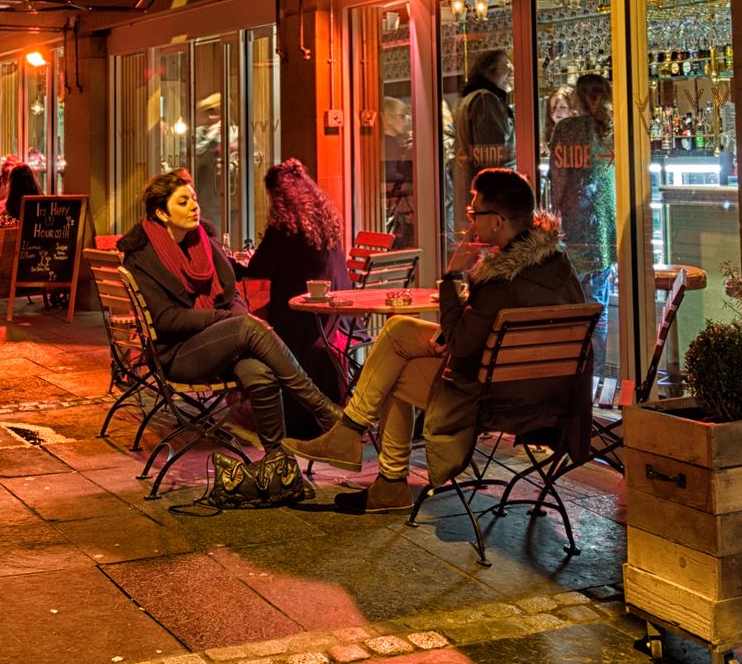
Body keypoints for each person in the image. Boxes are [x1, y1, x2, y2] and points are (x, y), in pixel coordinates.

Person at [289, 167, 586, 513]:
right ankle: (352, 437)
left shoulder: (501, 282)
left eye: (476, 213)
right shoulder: (557, 263)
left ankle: (385, 478)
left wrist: (450, 277)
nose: (470, 222)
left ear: (499, 221)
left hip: (493, 397)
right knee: (399, 329)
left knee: (395, 374)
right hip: (546, 390)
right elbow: (481, 331)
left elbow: (461, 345)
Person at [118, 170, 342, 466]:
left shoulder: (206, 243)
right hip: (177, 354)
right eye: (183, 202)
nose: (194, 206)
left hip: (219, 345)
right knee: (248, 326)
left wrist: (230, 320)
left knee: (260, 372)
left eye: (194, 199)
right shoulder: (142, 256)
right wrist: (226, 321)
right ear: (161, 212)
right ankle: (326, 411)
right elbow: (166, 320)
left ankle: (278, 464)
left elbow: (233, 296)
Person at [240, 159, 350, 439]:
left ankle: (275, 410)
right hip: (336, 315)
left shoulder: (285, 225)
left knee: (254, 328)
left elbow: (259, 268)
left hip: (297, 316)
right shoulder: (326, 220)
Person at [548, 74, 617, 385]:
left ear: (576, 97)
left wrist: (553, 219)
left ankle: (572, 378)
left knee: (571, 311)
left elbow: (558, 181)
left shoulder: (566, 129)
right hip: (605, 235)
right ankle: (596, 378)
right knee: (598, 312)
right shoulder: (615, 130)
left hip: (573, 233)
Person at [451, 50, 512, 214]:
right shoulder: (486, 100)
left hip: (472, 192)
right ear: (489, 70)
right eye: (505, 65)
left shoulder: (468, 99)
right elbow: (492, 154)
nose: (510, 70)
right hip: (489, 199)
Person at [381, 96, 415, 239]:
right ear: (388, 119)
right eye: (402, 116)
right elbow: (389, 173)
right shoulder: (389, 144)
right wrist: (408, 178)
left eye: (406, 116)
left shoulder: (390, 142)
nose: (406, 120)